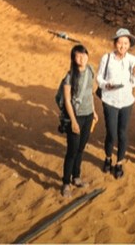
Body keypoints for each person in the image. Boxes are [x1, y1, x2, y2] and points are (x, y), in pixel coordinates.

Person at [98, 28, 135, 179]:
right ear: (115, 43)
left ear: (129, 45)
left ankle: (119, 162)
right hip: (110, 100)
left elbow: (133, 83)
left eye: (126, 43)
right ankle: (108, 158)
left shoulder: (132, 60)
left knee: (122, 133)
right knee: (111, 133)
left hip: (126, 101)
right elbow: (99, 78)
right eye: (120, 42)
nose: (122, 46)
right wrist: (105, 85)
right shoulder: (106, 58)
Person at [57, 43, 98, 197]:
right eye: (78, 56)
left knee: (81, 148)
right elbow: (67, 101)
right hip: (75, 116)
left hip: (88, 116)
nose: (82, 58)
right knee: (72, 151)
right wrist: (73, 121)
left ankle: (77, 177)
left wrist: (93, 111)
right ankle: (66, 182)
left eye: (84, 54)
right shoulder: (69, 77)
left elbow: (89, 93)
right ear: (73, 59)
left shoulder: (91, 70)